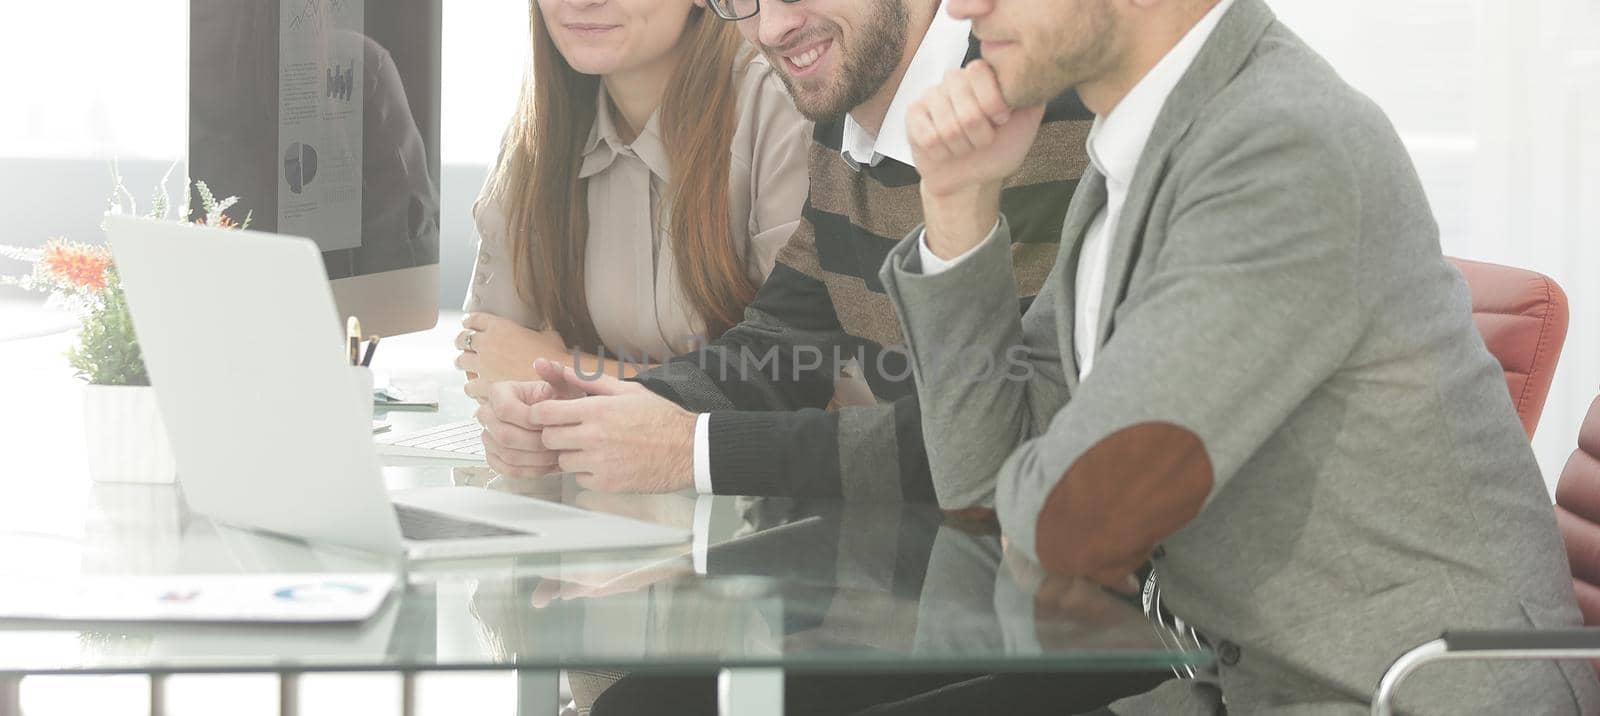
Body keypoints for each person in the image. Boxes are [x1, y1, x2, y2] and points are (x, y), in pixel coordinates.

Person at [876, 0, 1600, 713]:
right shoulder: (1137, 157)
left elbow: (1076, 518)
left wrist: (1045, 503)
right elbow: (980, 479)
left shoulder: (1283, 144)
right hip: (1254, 683)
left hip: (1414, 693)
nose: (961, 6)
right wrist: (958, 198)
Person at [476, 0, 1090, 502]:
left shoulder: (1042, 106)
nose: (770, 27)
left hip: (1067, 612)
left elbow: (1001, 436)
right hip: (946, 581)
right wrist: (596, 416)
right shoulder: (844, 110)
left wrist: (696, 451)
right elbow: (780, 346)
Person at [455, 0, 810, 390]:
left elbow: (802, 384)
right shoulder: (537, 134)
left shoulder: (783, 105)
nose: (580, 2)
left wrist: (561, 369)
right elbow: (492, 362)